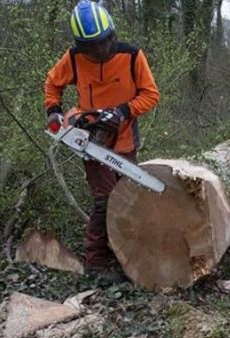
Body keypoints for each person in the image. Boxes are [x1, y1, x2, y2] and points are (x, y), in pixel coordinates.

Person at [44, 0, 160, 281]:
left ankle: (126, 253)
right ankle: (96, 262)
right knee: (105, 200)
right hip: (92, 140)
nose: (100, 49)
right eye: (92, 45)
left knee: (130, 199)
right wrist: (54, 110)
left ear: (112, 34)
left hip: (125, 138)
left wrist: (123, 111)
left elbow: (151, 95)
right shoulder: (74, 58)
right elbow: (52, 82)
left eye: (104, 42)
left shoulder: (132, 56)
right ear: (81, 45)